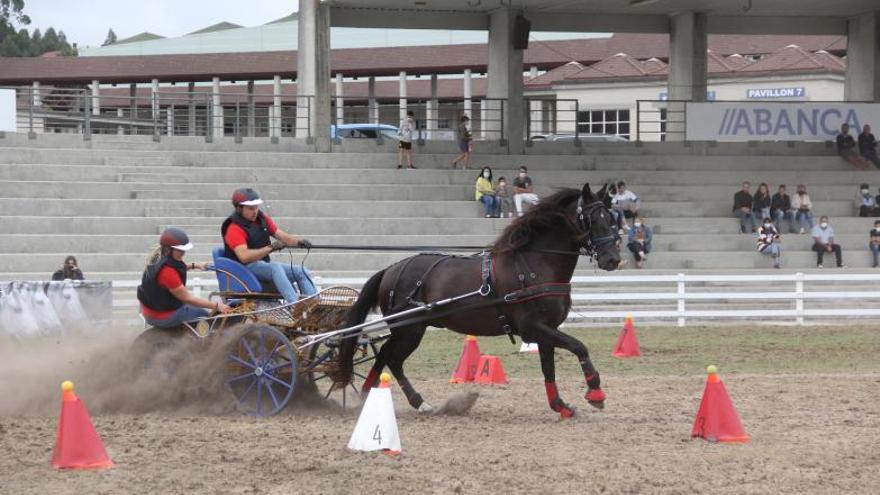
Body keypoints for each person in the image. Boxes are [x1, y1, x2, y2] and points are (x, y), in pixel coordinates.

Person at [221, 188, 317, 304]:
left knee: (302, 271)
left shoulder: (261, 219)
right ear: (238, 208)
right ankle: (295, 305)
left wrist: (299, 242)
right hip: (244, 269)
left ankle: (313, 306)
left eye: (256, 207)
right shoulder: (234, 228)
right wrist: (270, 248)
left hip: (262, 265)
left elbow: (282, 236)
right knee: (275, 267)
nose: (255, 211)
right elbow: (244, 257)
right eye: (251, 208)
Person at [138, 228, 230, 328]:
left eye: (184, 250)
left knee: (194, 311)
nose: (183, 253)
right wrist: (217, 306)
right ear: (168, 249)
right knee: (206, 317)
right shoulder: (167, 272)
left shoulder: (158, 258)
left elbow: (176, 270)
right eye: (180, 250)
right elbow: (188, 298)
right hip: (162, 315)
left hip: (150, 310)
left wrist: (195, 265)